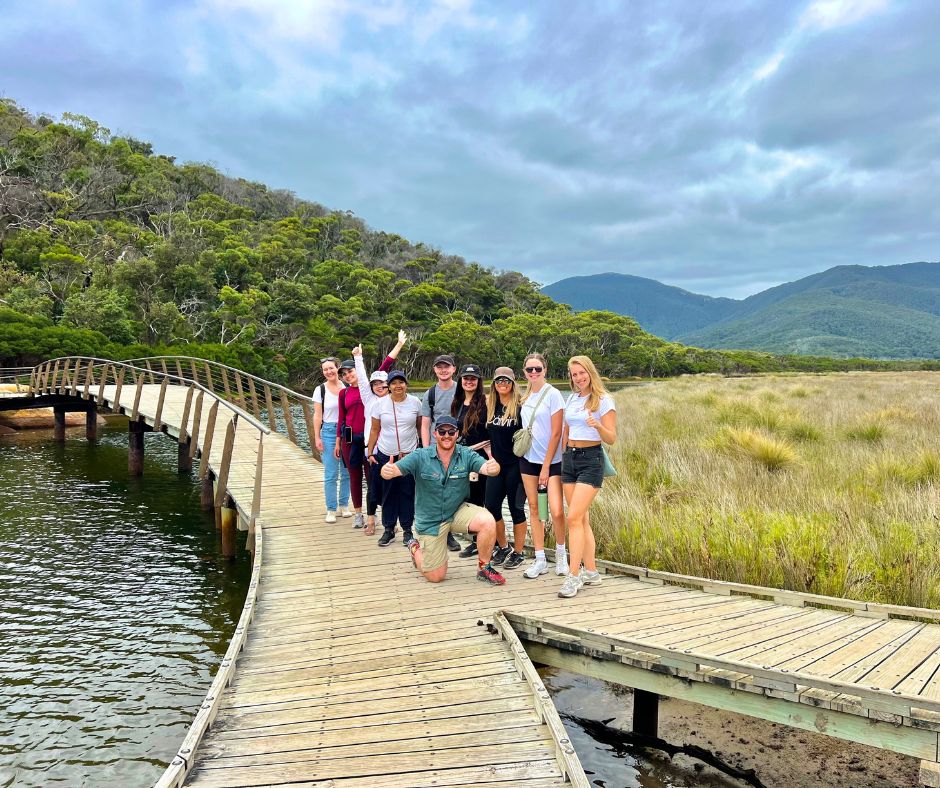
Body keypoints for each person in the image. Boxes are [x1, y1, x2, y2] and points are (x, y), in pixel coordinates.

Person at [381, 415, 506, 585]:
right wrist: (387, 470)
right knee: (436, 576)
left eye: (451, 431)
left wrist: (494, 467)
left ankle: (484, 567)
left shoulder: (466, 453)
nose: (446, 435)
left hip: (456, 511)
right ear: (435, 434)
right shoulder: (420, 455)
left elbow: (489, 468)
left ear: (457, 433)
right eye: (442, 431)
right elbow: (394, 470)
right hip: (431, 521)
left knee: (488, 521)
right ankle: (415, 547)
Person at [557, 355, 618, 598]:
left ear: (590, 372)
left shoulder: (604, 400)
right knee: (581, 520)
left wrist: (598, 426)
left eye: (582, 373)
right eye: (574, 374)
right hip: (569, 459)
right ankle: (592, 571)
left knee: (572, 518)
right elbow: (567, 429)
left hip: (591, 460)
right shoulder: (572, 398)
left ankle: (574, 576)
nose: (578, 378)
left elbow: (611, 438)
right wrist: (562, 455)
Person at [338, 331, 407, 529]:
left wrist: (399, 344)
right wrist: (357, 357)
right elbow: (342, 417)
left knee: (378, 479)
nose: (380, 386)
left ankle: (388, 519)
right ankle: (364, 515)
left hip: (378, 445)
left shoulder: (384, 396)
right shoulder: (361, 394)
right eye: (345, 374)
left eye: (383, 384)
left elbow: (386, 364)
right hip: (357, 441)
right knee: (357, 476)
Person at [518, 352, 568, 579]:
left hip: (552, 462)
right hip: (528, 460)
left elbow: (556, 432)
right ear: (525, 372)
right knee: (535, 508)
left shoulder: (554, 394)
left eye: (538, 369)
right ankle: (539, 559)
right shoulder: (526, 395)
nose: (534, 373)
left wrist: (546, 467)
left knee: (557, 510)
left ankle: (560, 554)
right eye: (530, 370)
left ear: (545, 370)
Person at [368, 368, 422, 546]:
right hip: (386, 454)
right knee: (388, 491)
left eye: (401, 382)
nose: (398, 386)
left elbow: (420, 427)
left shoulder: (415, 402)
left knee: (407, 492)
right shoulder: (380, 404)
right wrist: (370, 451)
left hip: (409, 455)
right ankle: (389, 529)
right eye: (394, 383)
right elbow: (375, 429)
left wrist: (422, 450)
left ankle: (407, 530)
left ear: (406, 384)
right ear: (388, 386)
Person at [484, 366, 525, 568]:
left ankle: (519, 552)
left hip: (516, 465)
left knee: (516, 508)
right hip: (496, 465)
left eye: (506, 381)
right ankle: (503, 546)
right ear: (494, 384)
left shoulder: (520, 406)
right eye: (498, 381)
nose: (502, 384)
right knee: (491, 506)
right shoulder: (490, 405)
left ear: (512, 383)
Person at [420, 353, 461, 553]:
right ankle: (439, 532)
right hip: (436, 447)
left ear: (454, 369)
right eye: (439, 367)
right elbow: (426, 422)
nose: (443, 370)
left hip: (458, 447)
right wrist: (427, 448)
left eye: (447, 367)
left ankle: (451, 531)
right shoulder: (430, 394)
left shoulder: (461, 390)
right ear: (435, 370)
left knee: (454, 490)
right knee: (436, 490)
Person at [451, 363, 488, 558]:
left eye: (473, 378)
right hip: (461, 458)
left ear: (479, 381)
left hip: (480, 458)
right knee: (467, 498)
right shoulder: (457, 403)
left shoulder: (485, 402)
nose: (469, 381)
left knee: (479, 499)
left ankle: (479, 542)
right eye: (466, 378)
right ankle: (474, 537)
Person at [313, 356, 350, 523]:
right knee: (331, 473)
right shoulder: (320, 390)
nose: (329, 372)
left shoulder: (348, 386)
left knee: (347, 471)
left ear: (338, 368)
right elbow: (317, 415)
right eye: (325, 369)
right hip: (329, 430)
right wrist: (317, 437)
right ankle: (331, 509)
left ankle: (344, 505)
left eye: (331, 368)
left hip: (347, 431)